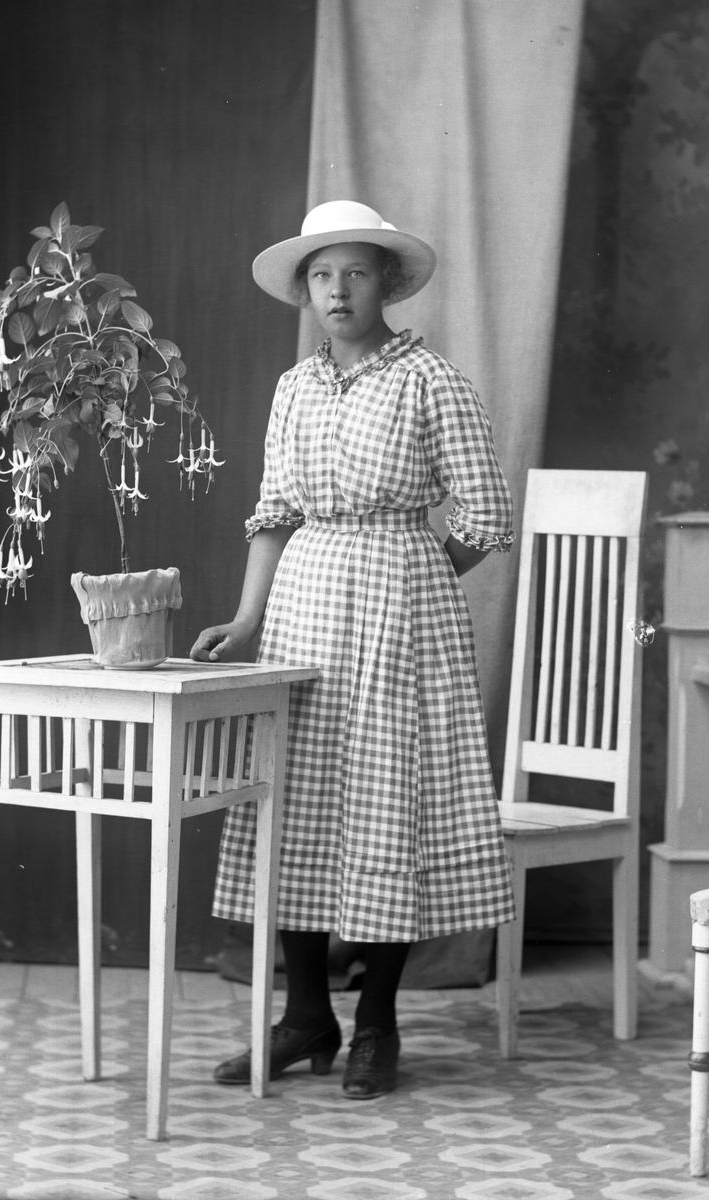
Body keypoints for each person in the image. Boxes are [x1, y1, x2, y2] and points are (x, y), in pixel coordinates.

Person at [191, 200, 515, 1099]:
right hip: (302, 608)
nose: (337, 291)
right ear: (305, 290)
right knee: (295, 801)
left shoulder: (430, 380)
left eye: (356, 273)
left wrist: (411, 573)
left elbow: (486, 516)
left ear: (387, 283)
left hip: (400, 615)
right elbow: (274, 514)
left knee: (384, 803)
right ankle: (305, 1016)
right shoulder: (293, 387)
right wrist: (247, 621)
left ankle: (376, 1022)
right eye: (322, 276)